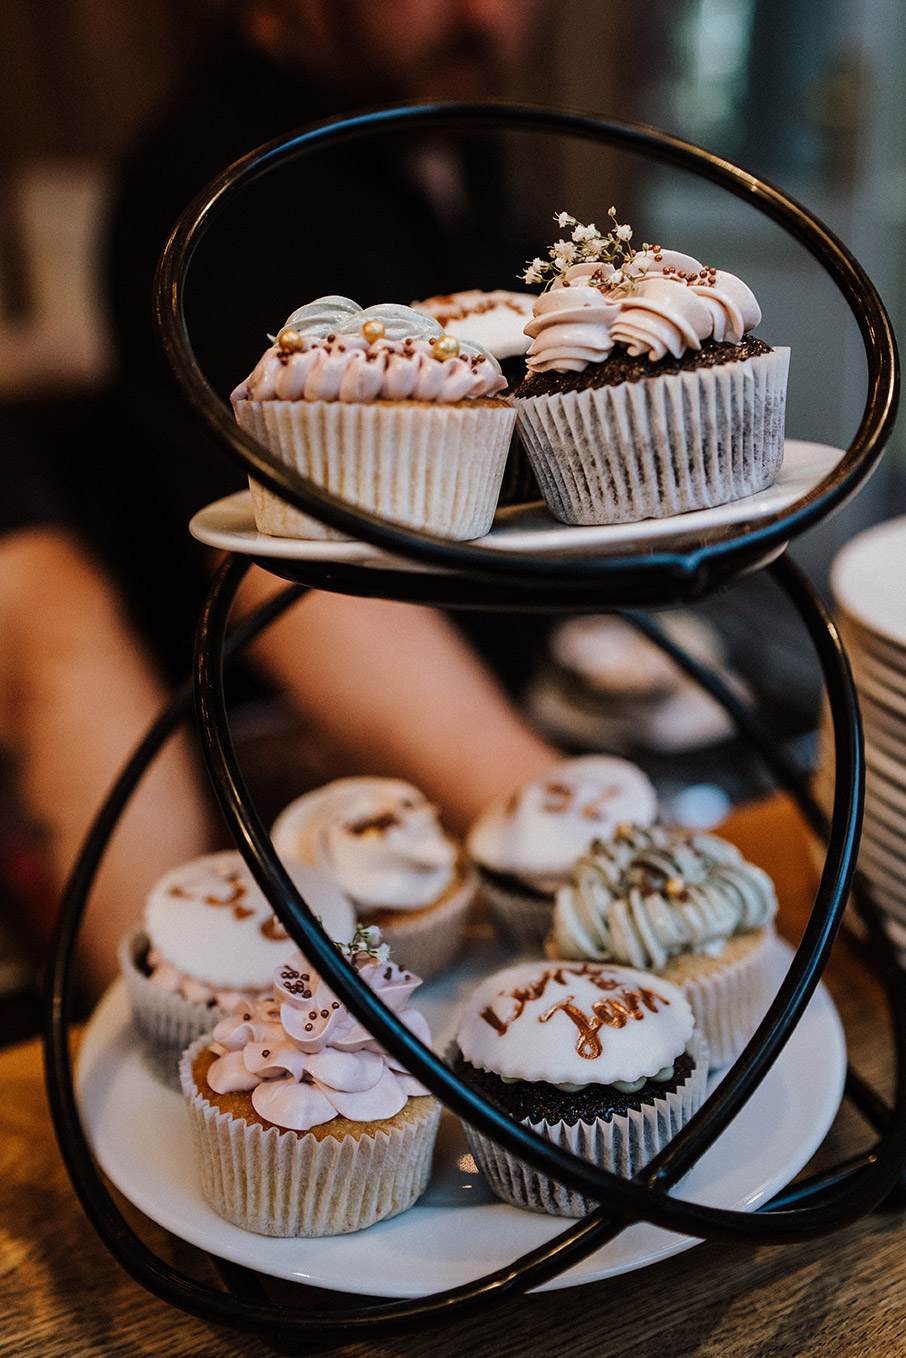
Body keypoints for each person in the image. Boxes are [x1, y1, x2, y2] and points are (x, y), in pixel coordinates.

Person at [1, 0, 559, 1001]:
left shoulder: (437, 119)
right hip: (308, 783)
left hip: (499, 734)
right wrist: (555, 818)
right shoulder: (222, 189)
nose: (490, 16)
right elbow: (289, 572)